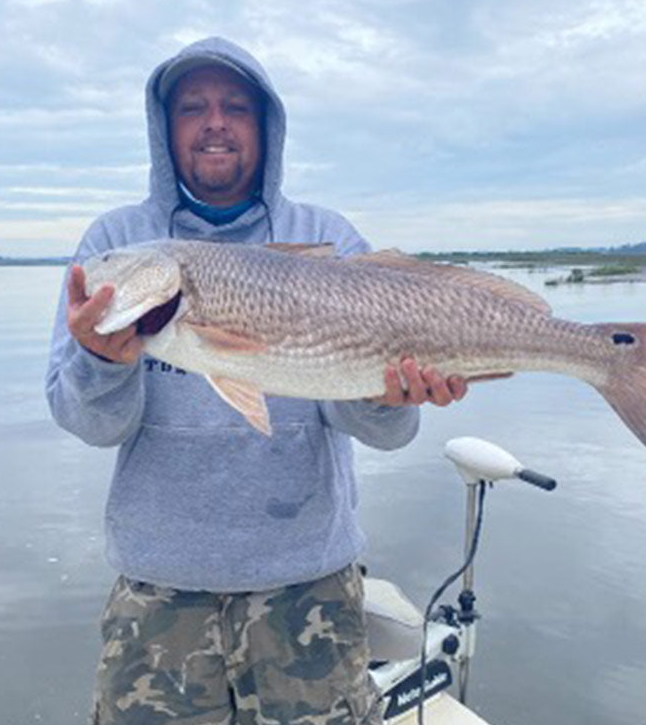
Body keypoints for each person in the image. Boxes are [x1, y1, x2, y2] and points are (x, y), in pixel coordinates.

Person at [46, 36, 469, 725]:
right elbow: (91, 425)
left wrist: (388, 400)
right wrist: (100, 361)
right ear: (164, 128)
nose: (214, 122)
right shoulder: (114, 241)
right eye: (192, 108)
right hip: (159, 592)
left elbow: (384, 431)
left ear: (266, 125)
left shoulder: (326, 237)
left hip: (309, 585)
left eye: (234, 106)